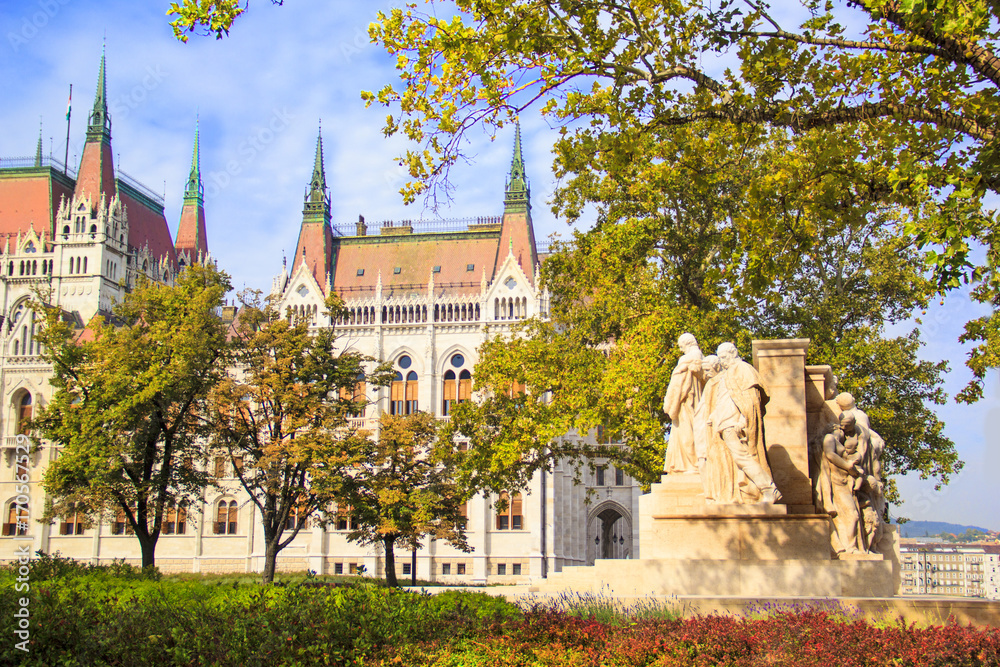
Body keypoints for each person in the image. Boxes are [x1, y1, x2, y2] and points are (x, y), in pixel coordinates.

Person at [712, 342, 781, 503]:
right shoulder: (730, 372)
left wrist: (743, 420)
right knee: (738, 458)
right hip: (725, 422)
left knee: (742, 457)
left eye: (724, 357)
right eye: (720, 358)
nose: (722, 361)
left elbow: (752, 399)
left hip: (733, 422)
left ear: (733, 353)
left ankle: (768, 488)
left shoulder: (742, 368)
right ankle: (753, 490)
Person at [694, 355, 741, 503]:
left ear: (717, 367)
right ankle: (711, 492)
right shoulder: (711, 383)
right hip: (704, 429)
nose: (706, 374)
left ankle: (717, 493)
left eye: (708, 370)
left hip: (714, 429)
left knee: (713, 461)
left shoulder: (721, 382)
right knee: (703, 461)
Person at [663, 333, 703, 474]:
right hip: (694, 402)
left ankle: (691, 464)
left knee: (687, 433)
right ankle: (690, 464)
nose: (680, 350)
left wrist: (669, 403)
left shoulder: (687, 359)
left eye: (681, 346)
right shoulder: (701, 358)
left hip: (686, 402)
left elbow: (677, 384)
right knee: (690, 432)